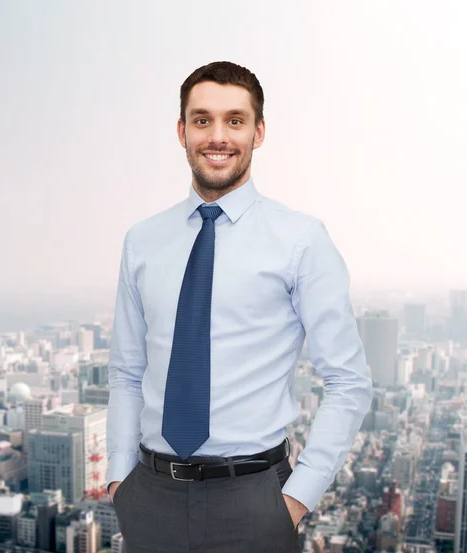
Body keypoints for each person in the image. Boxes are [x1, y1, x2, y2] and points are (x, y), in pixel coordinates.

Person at [106, 60, 373, 553]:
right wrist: (120, 481)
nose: (218, 136)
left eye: (235, 120)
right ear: (181, 131)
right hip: (149, 495)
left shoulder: (300, 240)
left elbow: (348, 381)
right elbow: (126, 370)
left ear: (259, 131)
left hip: (254, 499)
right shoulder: (142, 241)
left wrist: (294, 499)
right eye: (202, 120)